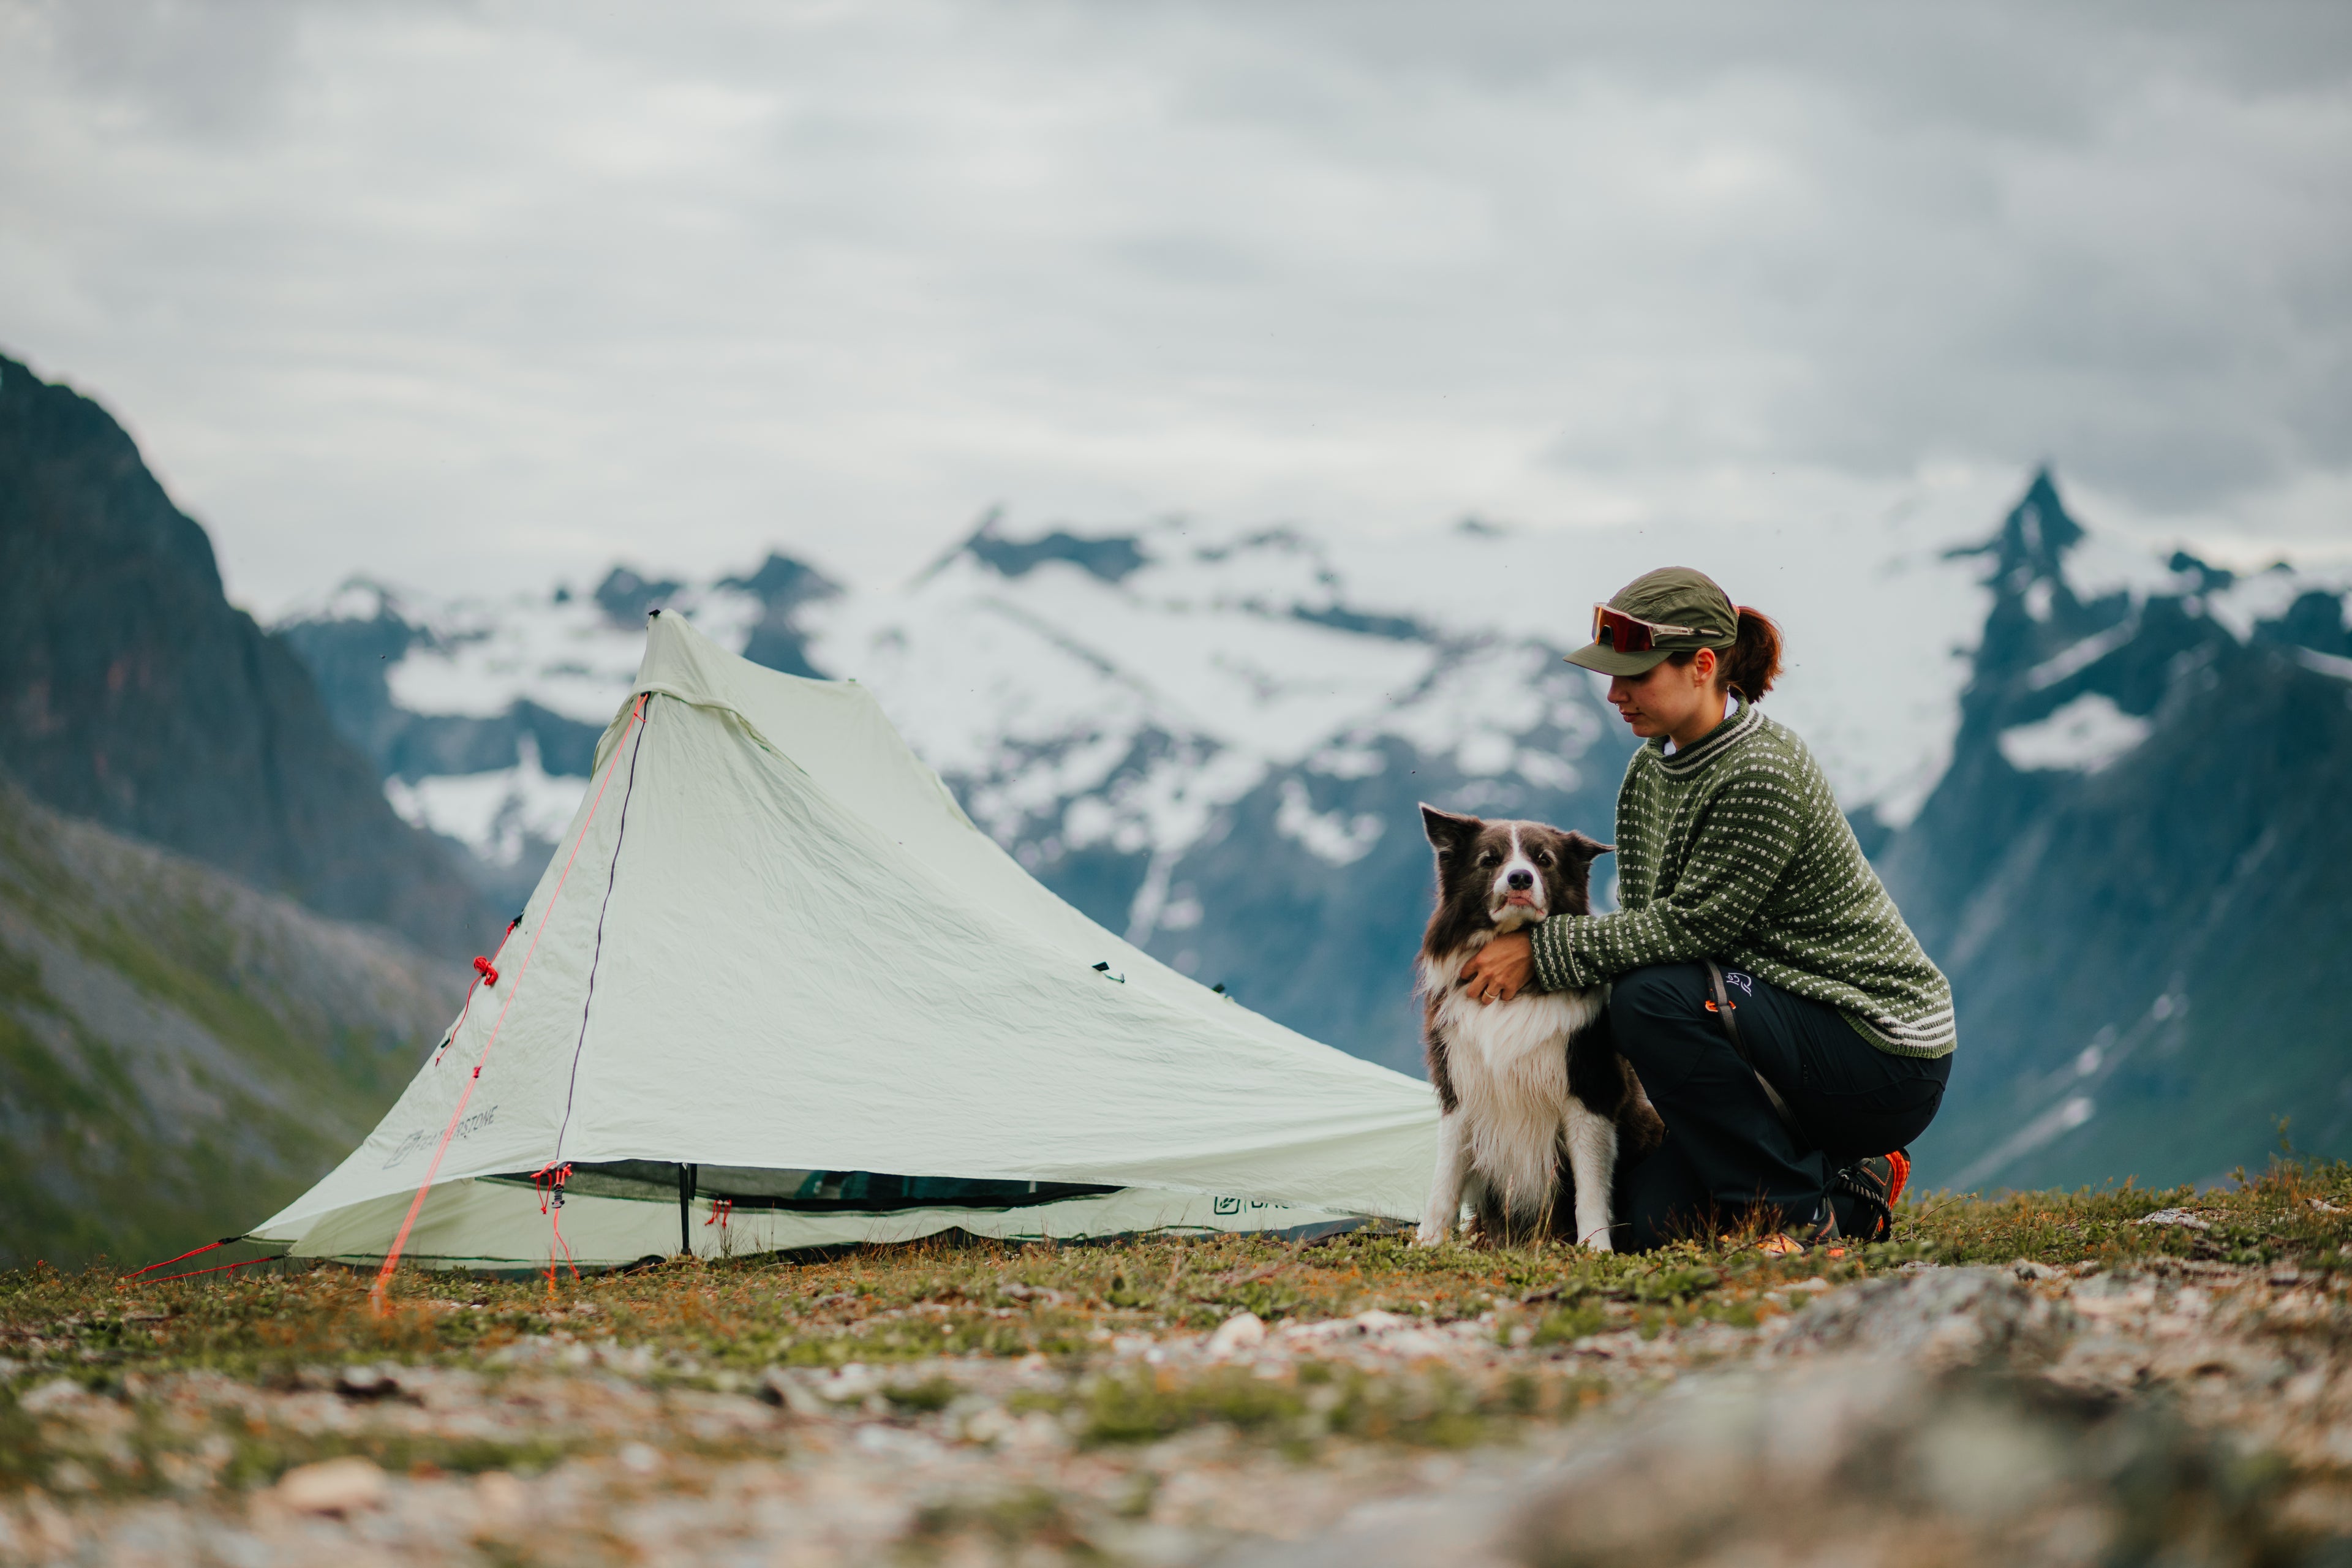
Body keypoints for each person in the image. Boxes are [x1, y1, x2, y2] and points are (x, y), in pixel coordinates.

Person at [1457, 567, 1953, 1250]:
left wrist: (1541, 952)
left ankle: (1799, 1220)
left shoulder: (1760, 770)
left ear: (1703, 666)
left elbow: (1693, 927)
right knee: (1647, 1224)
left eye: (1634, 675)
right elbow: (1646, 927)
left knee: (1647, 997)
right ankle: (1853, 1190)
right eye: (1610, 675)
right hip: (1768, 1031)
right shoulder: (1650, 770)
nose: (1614, 693)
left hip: (1875, 1051)